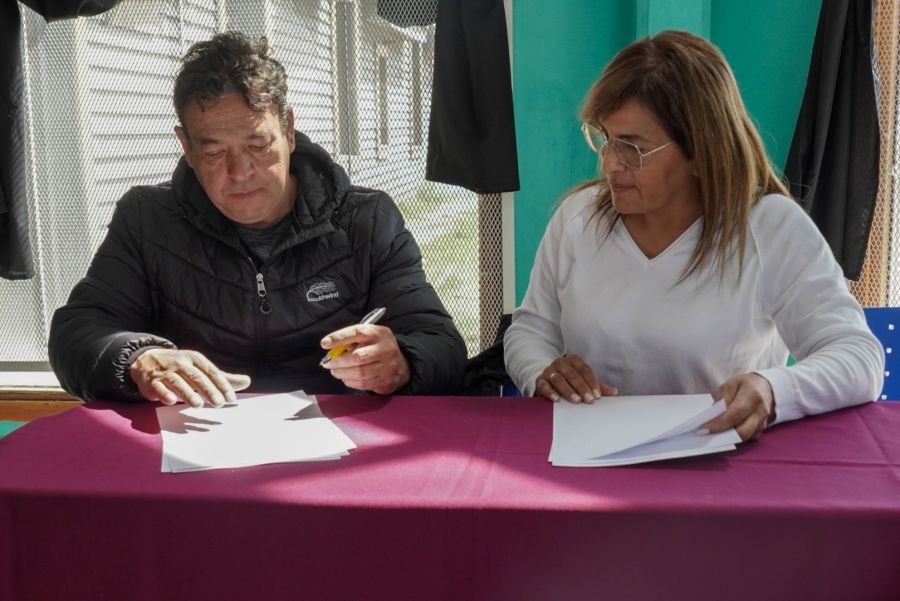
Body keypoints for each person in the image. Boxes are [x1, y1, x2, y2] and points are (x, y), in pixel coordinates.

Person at [49, 31, 466, 407]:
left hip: (337, 444)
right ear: (187, 148)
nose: (240, 172)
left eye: (258, 144)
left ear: (288, 129)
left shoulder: (365, 220)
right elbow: (78, 332)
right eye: (214, 152)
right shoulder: (147, 220)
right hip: (193, 443)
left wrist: (402, 362)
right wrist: (138, 358)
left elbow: (440, 343)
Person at [503, 30, 884, 441]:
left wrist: (773, 389)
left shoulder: (768, 227)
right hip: (591, 456)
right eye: (605, 138)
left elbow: (858, 358)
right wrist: (542, 371)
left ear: (702, 154)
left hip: (719, 465)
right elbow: (530, 331)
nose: (610, 163)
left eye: (633, 148)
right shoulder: (578, 218)